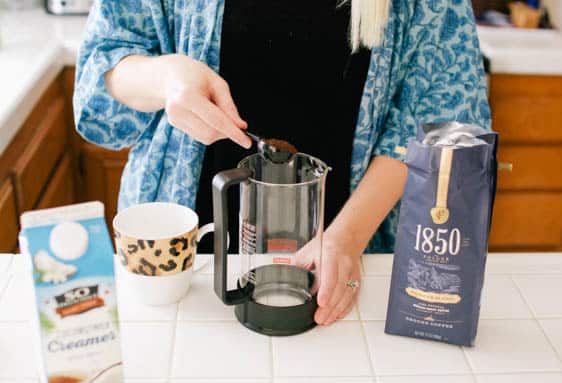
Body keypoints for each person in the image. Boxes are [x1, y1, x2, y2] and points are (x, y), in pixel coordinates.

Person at [74, 0, 490, 326]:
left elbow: (440, 117)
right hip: (179, 268)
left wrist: (344, 240)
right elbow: (100, 73)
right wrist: (167, 79)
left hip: (339, 261)